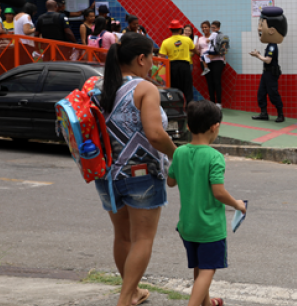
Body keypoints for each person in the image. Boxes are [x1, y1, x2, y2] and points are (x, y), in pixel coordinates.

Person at [94, 32, 178, 306]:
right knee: (142, 238)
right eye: (152, 57)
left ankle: (132, 291)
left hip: (106, 174)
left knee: (122, 236)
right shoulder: (145, 88)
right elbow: (155, 134)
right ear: (141, 59)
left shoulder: (97, 88)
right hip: (141, 174)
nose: (153, 63)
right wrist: (176, 154)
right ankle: (125, 298)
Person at [167, 100, 246, 306]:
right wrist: (237, 204)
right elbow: (218, 192)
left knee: (199, 267)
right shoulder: (215, 157)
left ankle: (206, 303)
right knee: (208, 269)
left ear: (189, 127)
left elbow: (170, 182)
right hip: (209, 227)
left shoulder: (179, 152)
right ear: (215, 126)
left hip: (188, 225)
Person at [250, 8, 287, 122]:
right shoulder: (270, 45)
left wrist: (257, 56)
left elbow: (268, 60)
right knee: (261, 93)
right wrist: (260, 55)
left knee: (273, 94)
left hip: (271, 73)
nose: (259, 28)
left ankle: (281, 114)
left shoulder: (272, 46)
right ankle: (264, 113)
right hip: (266, 73)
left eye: (261, 24)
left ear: (271, 30)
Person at [160, 20, 195, 107]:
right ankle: (190, 110)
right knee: (188, 89)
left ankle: (175, 108)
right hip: (185, 66)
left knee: (174, 89)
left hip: (172, 67)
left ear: (170, 30)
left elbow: (161, 58)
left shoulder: (165, 42)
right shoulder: (187, 40)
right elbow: (194, 50)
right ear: (180, 30)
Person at [205, 21, 225, 107]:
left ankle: (218, 103)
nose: (213, 29)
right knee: (211, 82)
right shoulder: (218, 36)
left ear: (218, 28)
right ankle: (213, 102)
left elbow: (224, 50)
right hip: (210, 62)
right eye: (212, 27)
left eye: (214, 28)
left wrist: (214, 55)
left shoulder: (218, 36)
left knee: (216, 82)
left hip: (217, 61)